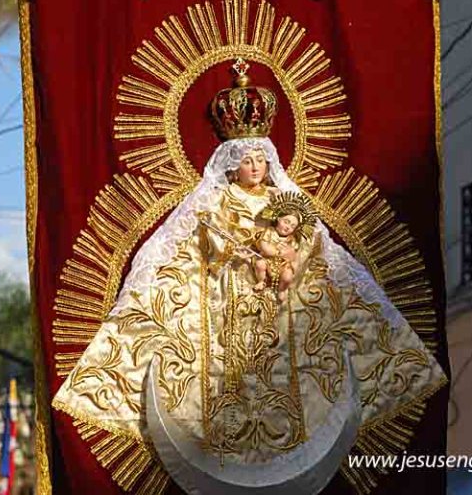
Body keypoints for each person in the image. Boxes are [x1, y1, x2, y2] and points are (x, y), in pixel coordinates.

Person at [52, 60, 448, 471]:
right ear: (230, 163)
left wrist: (293, 252)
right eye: (247, 161)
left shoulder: (284, 201)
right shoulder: (217, 201)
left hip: (285, 311)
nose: (255, 167)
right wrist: (241, 252)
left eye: (261, 159)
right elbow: (205, 238)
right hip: (230, 304)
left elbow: (312, 237)